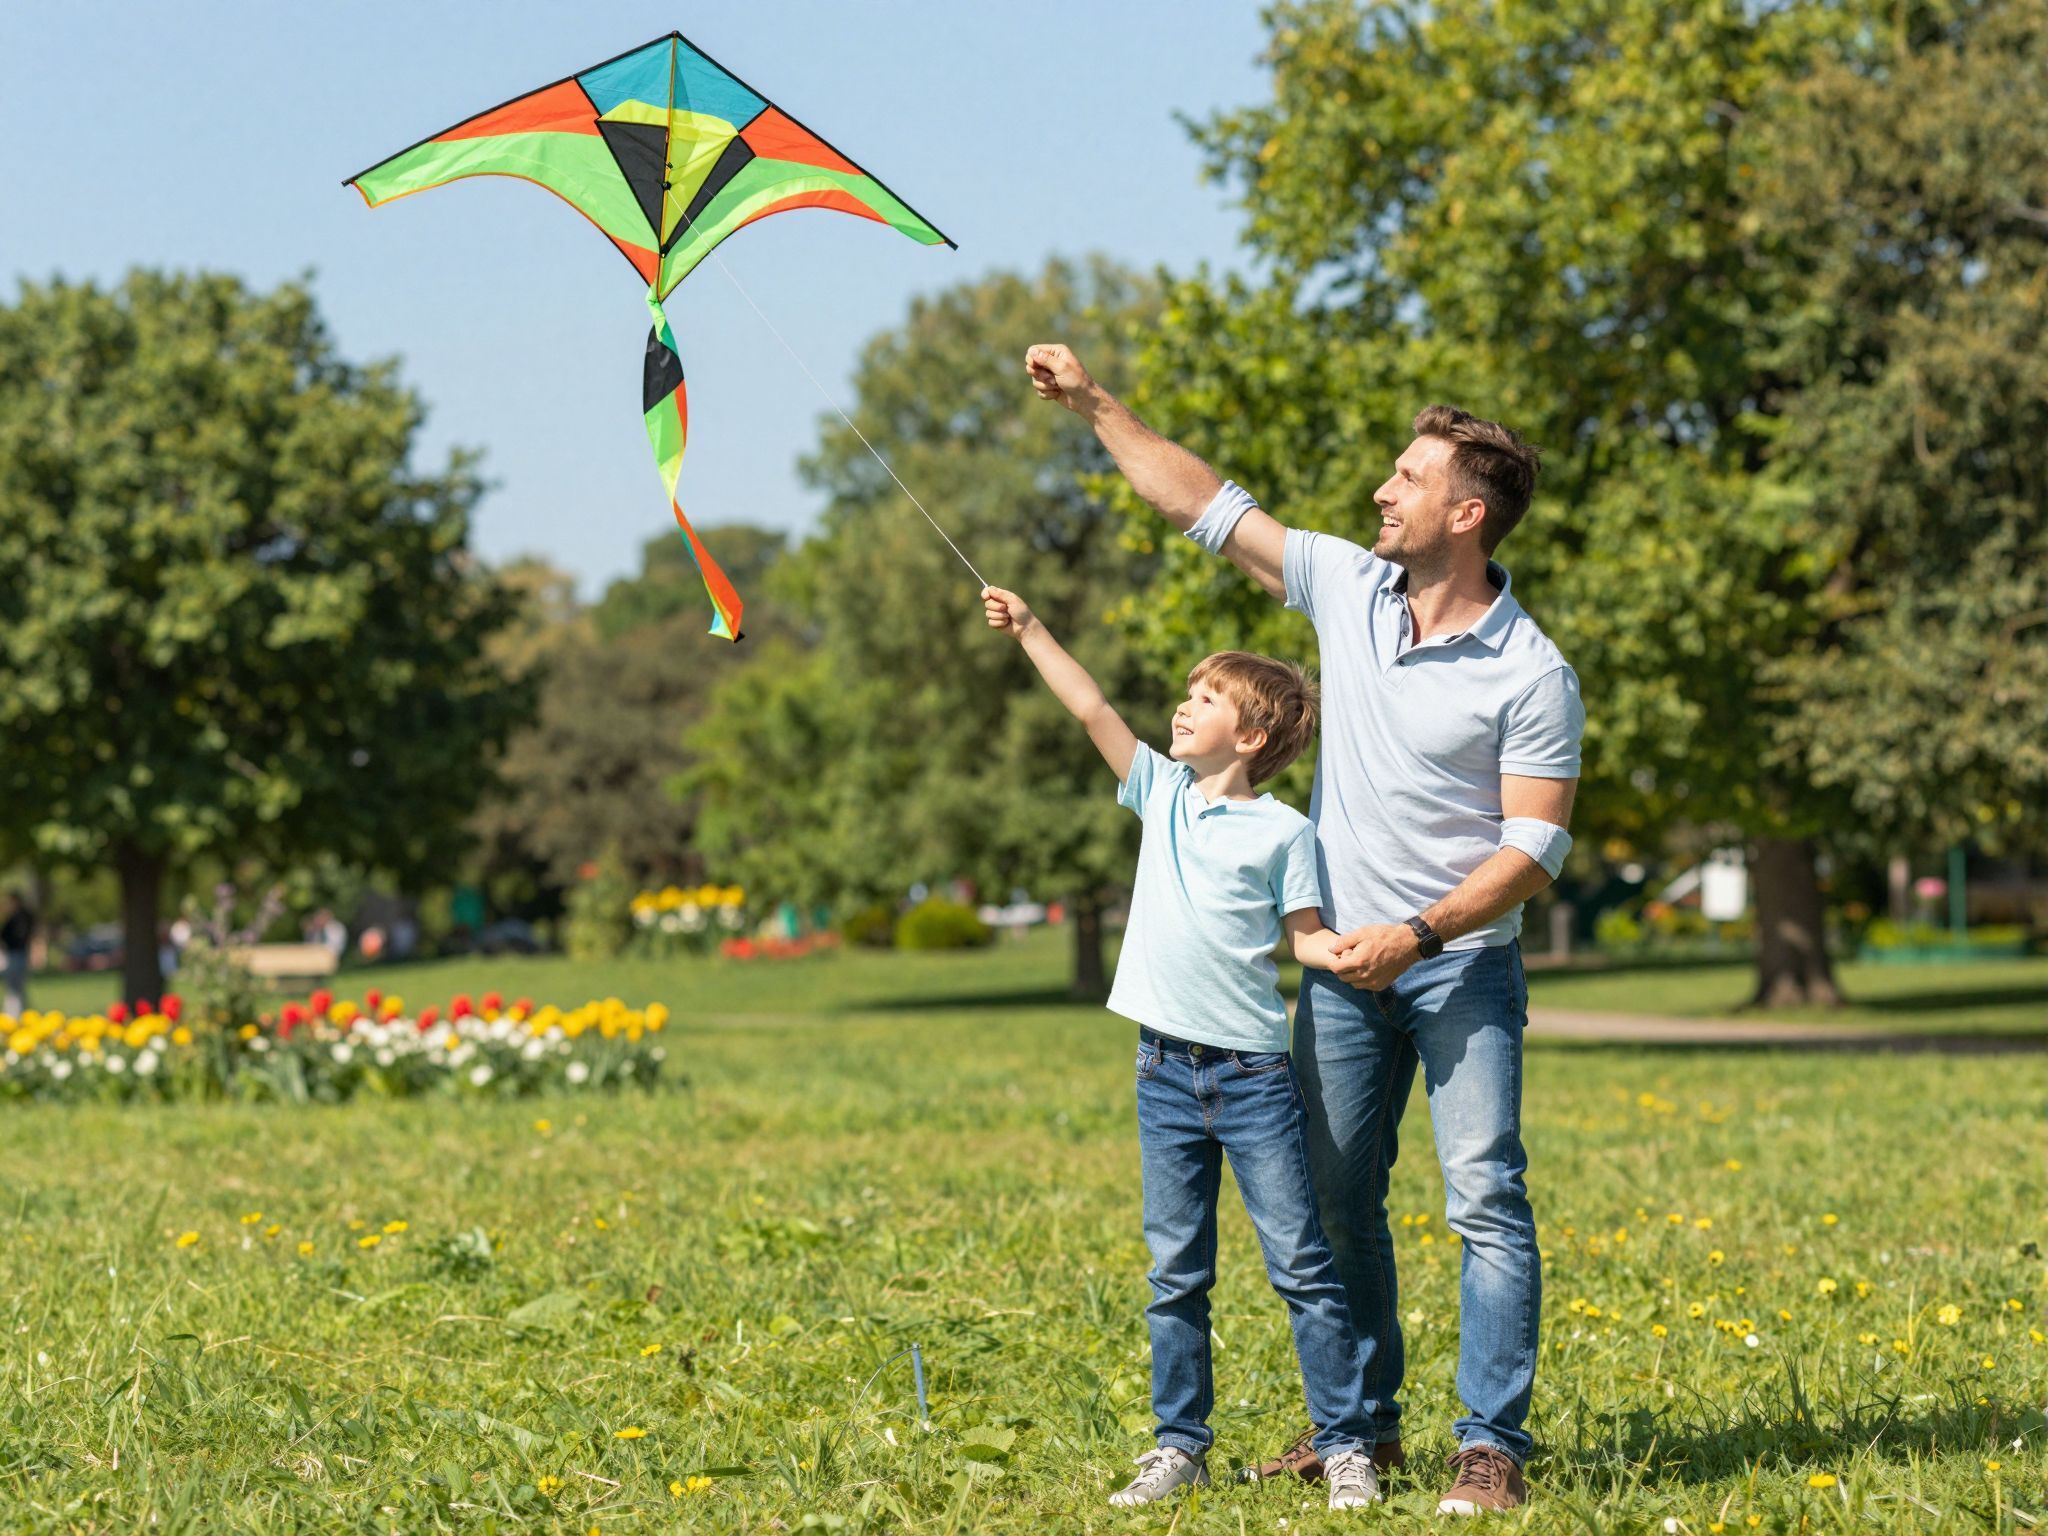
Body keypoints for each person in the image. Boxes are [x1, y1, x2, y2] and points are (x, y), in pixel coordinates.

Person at [1025, 344, 1582, 1516]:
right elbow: (1206, 505)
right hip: (1339, 974)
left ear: (1465, 512)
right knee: (1336, 1201)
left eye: (1406, 477)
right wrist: (1093, 406)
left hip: (1457, 968)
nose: (1382, 491)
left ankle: (1489, 1446)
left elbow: (1530, 851)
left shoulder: (1530, 672)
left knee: (1483, 1194)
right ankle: (1365, 1436)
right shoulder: (1344, 585)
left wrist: (1419, 937)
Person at [981, 584, 1385, 1512]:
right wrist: (1035, 628)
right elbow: (1091, 707)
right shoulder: (1158, 791)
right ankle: (1180, 1447)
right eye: (1190, 690)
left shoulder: (1287, 831)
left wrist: (1363, 952)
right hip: (1162, 1071)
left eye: (1207, 697)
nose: (1184, 702)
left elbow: (1306, 937)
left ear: (1250, 738)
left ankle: (1346, 1444)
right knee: (1176, 1273)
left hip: (1251, 1079)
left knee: (1301, 1267)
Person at [2, 892, 34, 1016]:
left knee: (15, 986)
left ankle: (15, 1013)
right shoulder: (16, 916)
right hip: (13, 953)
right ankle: (19, 1011)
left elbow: (16, 936)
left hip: (17, 953)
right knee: (15, 986)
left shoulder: (20, 917)